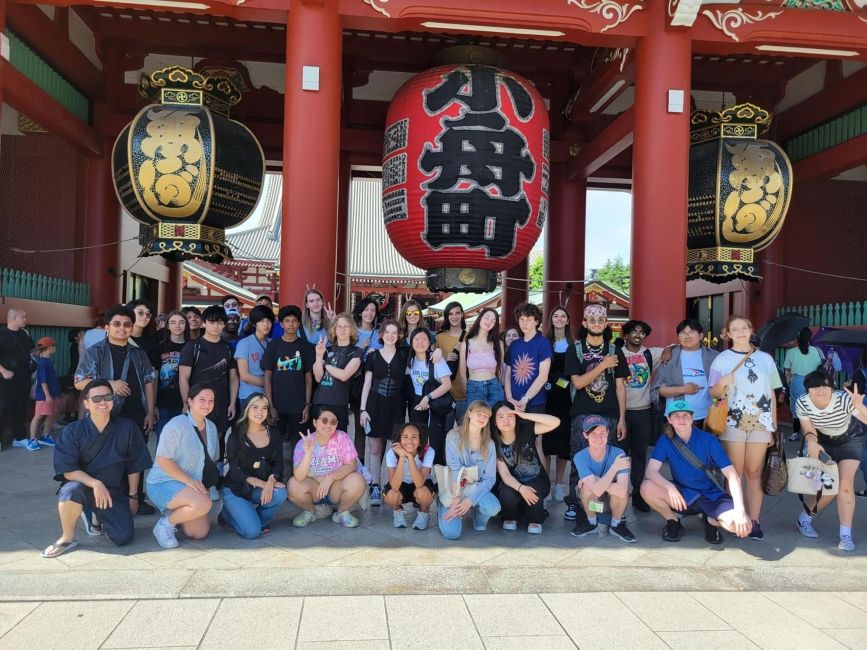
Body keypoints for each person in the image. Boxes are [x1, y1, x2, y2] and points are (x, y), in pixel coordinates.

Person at [41, 380, 152, 558]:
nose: (102, 402)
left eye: (107, 397)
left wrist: (133, 496)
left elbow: (135, 464)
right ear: (86, 403)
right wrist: (95, 483)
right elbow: (67, 469)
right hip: (83, 488)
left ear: (113, 400)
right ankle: (67, 537)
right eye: (96, 398)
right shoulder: (72, 431)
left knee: (123, 537)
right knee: (70, 491)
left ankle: (96, 515)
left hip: (114, 492)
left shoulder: (127, 428)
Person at [74, 304, 157, 515]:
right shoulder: (95, 352)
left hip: (135, 412)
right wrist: (110, 384)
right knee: (107, 457)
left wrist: (149, 410)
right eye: (117, 324)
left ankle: (136, 498)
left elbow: (148, 381)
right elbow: (79, 382)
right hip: (104, 413)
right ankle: (106, 499)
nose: (122, 329)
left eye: (127, 325)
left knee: (136, 456)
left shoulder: (138, 353)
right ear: (107, 327)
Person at [709, 315, 782, 541]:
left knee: (754, 472)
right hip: (733, 419)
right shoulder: (721, 359)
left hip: (760, 420)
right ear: (728, 334)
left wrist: (773, 427)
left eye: (744, 328)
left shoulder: (766, 359)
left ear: (751, 330)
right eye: (735, 329)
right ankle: (734, 516)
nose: (740, 332)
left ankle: (754, 520)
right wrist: (723, 382)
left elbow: (772, 393)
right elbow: (712, 393)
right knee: (735, 472)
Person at [640, 399, 753, 544]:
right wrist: (670, 487)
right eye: (676, 415)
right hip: (684, 494)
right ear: (669, 419)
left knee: (742, 526)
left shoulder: (708, 440)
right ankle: (673, 521)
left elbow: (732, 475)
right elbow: (651, 471)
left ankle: (712, 521)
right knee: (646, 487)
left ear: (692, 418)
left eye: (685, 415)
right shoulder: (665, 440)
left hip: (711, 495)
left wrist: (740, 510)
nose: (681, 419)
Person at [562, 304, 628, 524]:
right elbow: (578, 382)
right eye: (592, 320)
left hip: (609, 413)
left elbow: (620, 387)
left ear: (606, 323)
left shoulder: (614, 350)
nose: (597, 323)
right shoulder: (575, 349)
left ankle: (602, 505)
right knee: (579, 459)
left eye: (601, 320)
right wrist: (603, 366)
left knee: (608, 462)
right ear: (584, 323)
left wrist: (622, 419)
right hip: (583, 413)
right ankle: (575, 501)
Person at [794, 372, 867, 551]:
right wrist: (811, 441)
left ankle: (845, 535)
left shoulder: (843, 400)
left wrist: (859, 405)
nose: (820, 390)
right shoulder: (802, 402)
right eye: (815, 387)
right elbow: (808, 429)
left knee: (845, 485)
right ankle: (804, 518)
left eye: (825, 386)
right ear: (807, 390)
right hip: (823, 442)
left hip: (850, 438)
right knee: (827, 488)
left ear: (832, 387)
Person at [146, 384, 219, 548]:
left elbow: (210, 461)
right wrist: (190, 482)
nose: (206, 404)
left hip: (191, 485)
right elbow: (163, 460)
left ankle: (178, 511)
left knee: (199, 533)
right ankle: (165, 525)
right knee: (204, 503)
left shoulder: (212, 427)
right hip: (163, 482)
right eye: (201, 400)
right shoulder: (176, 425)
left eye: (211, 401)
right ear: (190, 401)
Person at [619, 319, 671, 513]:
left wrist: (668, 349)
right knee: (620, 455)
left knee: (640, 455)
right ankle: (620, 492)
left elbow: (675, 345)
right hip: (621, 412)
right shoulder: (617, 354)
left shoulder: (650, 353)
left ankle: (639, 494)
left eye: (642, 332)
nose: (638, 335)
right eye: (634, 331)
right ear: (625, 335)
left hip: (643, 411)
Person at [220, 393, 288, 539]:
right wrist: (263, 484)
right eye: (255, 407)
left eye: (264, 408)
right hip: (235, 489)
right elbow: (234, 471)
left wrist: (270, 482)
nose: (260, 412)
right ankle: (227, 515)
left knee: (280, 493)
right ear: (247, 409)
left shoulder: (274, 433)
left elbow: (279, 464)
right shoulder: (235, 435)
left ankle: (259, 521)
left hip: (258, 488)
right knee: (251, 533)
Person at [289, 406, 366, 528]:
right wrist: (308, 453)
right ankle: (310, 511)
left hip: (335, 487)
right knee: (293, 485)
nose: (328, 425)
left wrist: (330, 477)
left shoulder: (342, 437)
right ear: (315, 422)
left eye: (333, 422)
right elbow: (298, 476)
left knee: (358, 480)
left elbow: (351, 465)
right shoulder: (303, 443)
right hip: (314, 488)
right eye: (324, 420)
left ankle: (342, 513)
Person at [178, 305, 239, 457]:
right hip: (197, 403)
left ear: (224, 324)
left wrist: (232, 403)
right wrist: (187, 402)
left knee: (217, 442)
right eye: (212, 322)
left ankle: (215, 477)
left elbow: (233, 378)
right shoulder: (192, 346)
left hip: (221, 403)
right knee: (195, 441)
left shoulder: (228, 349)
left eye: (220, 322)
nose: (216, 326)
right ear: (204, 323)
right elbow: (183, 377)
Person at [359, 320, 407, 507]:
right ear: (381, 334)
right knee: (375, 449)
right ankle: (375, 486)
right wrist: (363, 409)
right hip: (374, 404)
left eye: (394, 332)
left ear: (399, 336)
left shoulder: (404, 355)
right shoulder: (372, 356)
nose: (390, 335)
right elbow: (367, 384)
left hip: (396, 406)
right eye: (387, 332)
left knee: (394, 449)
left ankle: (392, 486)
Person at [490, 401, 558, 534]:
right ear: (494, 422)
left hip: (536, 478)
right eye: (501, 417)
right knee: (507, 494)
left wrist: (525, 415)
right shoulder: (494, 441)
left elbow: (555, 422)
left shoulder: (526, 429)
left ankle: (536, 515)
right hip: (513, 481)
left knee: (534, 496)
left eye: (510, 416)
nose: (506, 420)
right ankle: (512, 516)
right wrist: (521, 488)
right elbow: (505, 475)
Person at [438, 401, 501, 540]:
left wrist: (470, 500)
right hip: (455, 488)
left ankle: (478, 513)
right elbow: (455, 469)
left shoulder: (489, 444)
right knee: (452, 534)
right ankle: (442, 504)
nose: (482, 418)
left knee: (493, 507)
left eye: (486, 416)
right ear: (470, 413)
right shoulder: (453, 436)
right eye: (479, 414)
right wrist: (456, 499)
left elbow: (490, 479)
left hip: (475, 488)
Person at [570, 415, 635, 542]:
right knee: (587, 489)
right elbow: (597, 492)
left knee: (618, 491)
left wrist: (595, 479)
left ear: (608, 433)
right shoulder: (580, 457)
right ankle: (591, 522)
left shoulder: (619, 453)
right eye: (593, 434)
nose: (598, 438)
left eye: (602, 433)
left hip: (613, 506)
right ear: (585, 435)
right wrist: (614, 468)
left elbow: (622, 491)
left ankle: (616, 524)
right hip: (594, 506)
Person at [262, 305, 315, 452]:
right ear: (281, 324)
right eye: (287, 321)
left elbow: (308, 377)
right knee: (274, 444)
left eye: (294, 321)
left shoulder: (306, 347)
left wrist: (307, 405)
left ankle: (297, 474)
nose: (291, 324)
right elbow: (267, 376)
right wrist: (270, 405)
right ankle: (276, 475)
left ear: (299, 323)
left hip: (299, 406)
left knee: (299, 446)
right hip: (277, 405)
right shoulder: (273, 345)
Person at [650, 318, 718, 430]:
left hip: (708, 416)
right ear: (678, 337)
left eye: (692, 332)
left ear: (701, 336)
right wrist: (683, 389)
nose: (687, 336)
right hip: (677, 416)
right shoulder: (669, 358)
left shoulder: (714, 357)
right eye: (683, 333)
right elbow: (658, 390)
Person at [406, 327, 453, 465]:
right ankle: (421, 477)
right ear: (411, 342)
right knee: (418, 441)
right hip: (417, 403)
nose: (420, 343)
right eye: (416, 339)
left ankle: (436, 479)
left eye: (424, 339)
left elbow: (447, 384)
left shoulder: (436, 359)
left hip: (434, 403)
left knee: (435, 443)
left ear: (429, 342)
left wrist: (427, 397)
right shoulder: (410, 360)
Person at [543, 306, 574, 503]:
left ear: (568, 320)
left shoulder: (573, 344)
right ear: (551, 319)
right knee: (546, 441)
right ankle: (546, 482)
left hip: (566, 396)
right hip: (546, 395)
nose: (560, 319)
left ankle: (559, 483)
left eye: (563, 316)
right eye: (556, 315)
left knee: (563, 441)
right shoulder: (544, 342)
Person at [313, 313, 362, 433]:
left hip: (338, 403)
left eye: (346, 326)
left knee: (338, 442)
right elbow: (318, 378)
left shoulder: (356, 352)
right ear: (334, 330)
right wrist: (319, 357)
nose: (342, 329)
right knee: (320, 441)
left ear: (351, 330)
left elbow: (344, 375)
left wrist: (326, 364)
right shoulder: (327, 349)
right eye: (339, 326)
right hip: (320, 400)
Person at [384, 422, 436, 529]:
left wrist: (410, 457)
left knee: (423, 492)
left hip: (420, 484)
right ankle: (398, 511)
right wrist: (402, 457)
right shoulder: (392, 453)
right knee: (392, 495)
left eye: (414, 437)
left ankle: (423, 513)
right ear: (400, 439)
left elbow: (419, 482)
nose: (409, 441)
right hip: (401, 484)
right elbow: (394, 486)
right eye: (405, 437)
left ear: (420, 441)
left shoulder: (428, 451)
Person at [504, 303, 551, 416]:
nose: (524, 323)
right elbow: (507, 375)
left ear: (536, 321)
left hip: (535, 402)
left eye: (529, 319)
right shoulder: (514, 345)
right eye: (522, 319)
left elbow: (543, 377)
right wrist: (509, 398)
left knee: (532, 433)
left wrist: (525, 399)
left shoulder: (543, 343)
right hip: (512, 401)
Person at [351, 297, 382, 461]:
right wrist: (360, 348)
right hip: (357, 382)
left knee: (377, 427)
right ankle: (359, 462)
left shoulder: (380, 333)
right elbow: (346, 356)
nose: (369, 313)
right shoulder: (353, 331)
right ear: (360, 311)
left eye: (373, 310)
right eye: (366, 310)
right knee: (360, 426)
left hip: (375, 383)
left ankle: (376, 464)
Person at [0, 308, 35, 450]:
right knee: (3, 408)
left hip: (24, 377)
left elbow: (31, 351)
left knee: (20, 407)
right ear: (14, 318)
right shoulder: (2, 336)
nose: (26, 319)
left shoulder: (25, 334)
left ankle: (19, 437)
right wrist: (3, 371)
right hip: (6, 380)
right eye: (23, 317)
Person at [784, 327, 825, 441]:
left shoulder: (791, 352)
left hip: (797, 382)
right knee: (813, 406)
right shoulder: (816, 351)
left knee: (797, 407)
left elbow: (787, 368)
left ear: (798, 338)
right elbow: (821, 365)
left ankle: (796, 433)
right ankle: (813, 434)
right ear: (809, 337)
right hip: (813, 381)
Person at [459, 308, 505, 409]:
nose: (489, 322)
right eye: (487, 317)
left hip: (494, 387)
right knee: (477, 421)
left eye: (493, 321)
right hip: (473, 387)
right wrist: (468, 390)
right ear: (480, 318)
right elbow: (462, 373)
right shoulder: (466, 344)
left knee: (496, 421)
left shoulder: (498, 344)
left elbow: (500, 371)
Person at [234, 305, 274, 414]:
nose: (266, 325)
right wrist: (269, 384)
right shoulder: (244, 343)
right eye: (261, 321)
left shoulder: (272, 343)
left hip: (268, 396)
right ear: (254, 323)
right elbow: (244, 375)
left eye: (269, 321)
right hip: (249, 396)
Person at [155, 310, 189, 439]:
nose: (177, 326)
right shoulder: (159, 348)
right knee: (164, 440)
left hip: (186, 402)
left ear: (186, 325)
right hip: (164, 402)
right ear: (168, 325)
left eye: (181, 322)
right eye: (173, 322)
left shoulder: (191, 347)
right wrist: (153, 405)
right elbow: (154, 376)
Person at [436, 301, 468, 426]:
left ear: (462, 315)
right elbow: (432, 364)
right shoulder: (439, 338)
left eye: (457, 313)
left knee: (464, 434)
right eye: (450, 314)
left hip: (464, 393)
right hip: (445, 395)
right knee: (444, 434)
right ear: (446, 317)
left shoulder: (470, 336)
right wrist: (444, 357)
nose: (454, 317)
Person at [28, 336, 62, 450]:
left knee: (50, 415)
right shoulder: (43, 363)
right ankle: (32, 439)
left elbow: (52, 379)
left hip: (53, 395)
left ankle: (45, 435)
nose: (55, 349)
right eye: (54, 346)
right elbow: (43, 381)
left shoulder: (48, 361)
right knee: (38, 416)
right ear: (50, 348)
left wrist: (57, 394)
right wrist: (47, 395)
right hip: (44, 396)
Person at [129, 298, 161, 372]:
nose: (145, 317)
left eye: (148, 314)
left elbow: (154, 368)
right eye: (140, 313)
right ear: (130, 313)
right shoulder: (121, 339)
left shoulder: (152, 341)